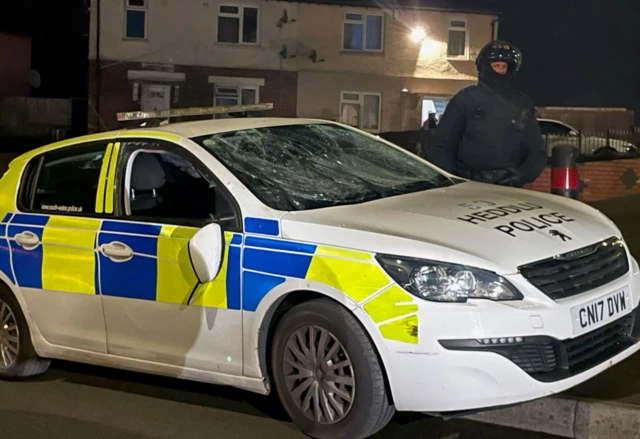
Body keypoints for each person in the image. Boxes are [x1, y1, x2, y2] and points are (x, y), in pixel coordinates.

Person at [425, 40, 547, 187]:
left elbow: (536, 150)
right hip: (468, 184)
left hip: (509, 185)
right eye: (496, 65)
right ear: (484, 67)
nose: (500, 70)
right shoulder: (466, 99)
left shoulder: (522, 104)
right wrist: (449, 179)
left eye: (504, 66)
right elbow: (442, 145)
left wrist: (522, 176)